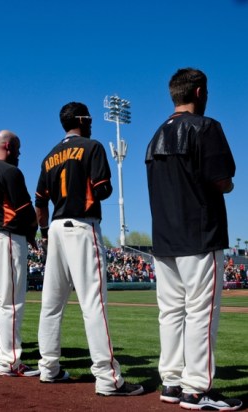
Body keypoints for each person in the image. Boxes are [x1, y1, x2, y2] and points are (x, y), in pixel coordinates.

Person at [145, 68, 241, 410]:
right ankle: (197, 389)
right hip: (199, 234)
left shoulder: (155, 135)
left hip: (164, 238)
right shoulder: (206, 127)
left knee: (170, 313)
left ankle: (171, 382)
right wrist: (225, 185)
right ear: (199, 92)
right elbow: (222, 180)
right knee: (201, 312)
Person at [35, 102, 143, 395]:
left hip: (55, 228)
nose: (92, 122)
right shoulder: (92, 146)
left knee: (51, 304)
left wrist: (44, 233)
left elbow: (40, 202)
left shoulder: (49, 156)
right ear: (81, 119)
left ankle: (49, 369)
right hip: (82, 226)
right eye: (89, 118)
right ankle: (108, 379)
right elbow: (102, 188)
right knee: (94, 304)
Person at [0, 130, 39, 377]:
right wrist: (33, 233)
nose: (20, 153)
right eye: (18, 148)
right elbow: (25, 209)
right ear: (8, 146)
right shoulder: (10, 171)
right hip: (8, 237)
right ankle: (10, 361)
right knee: (12, 302)